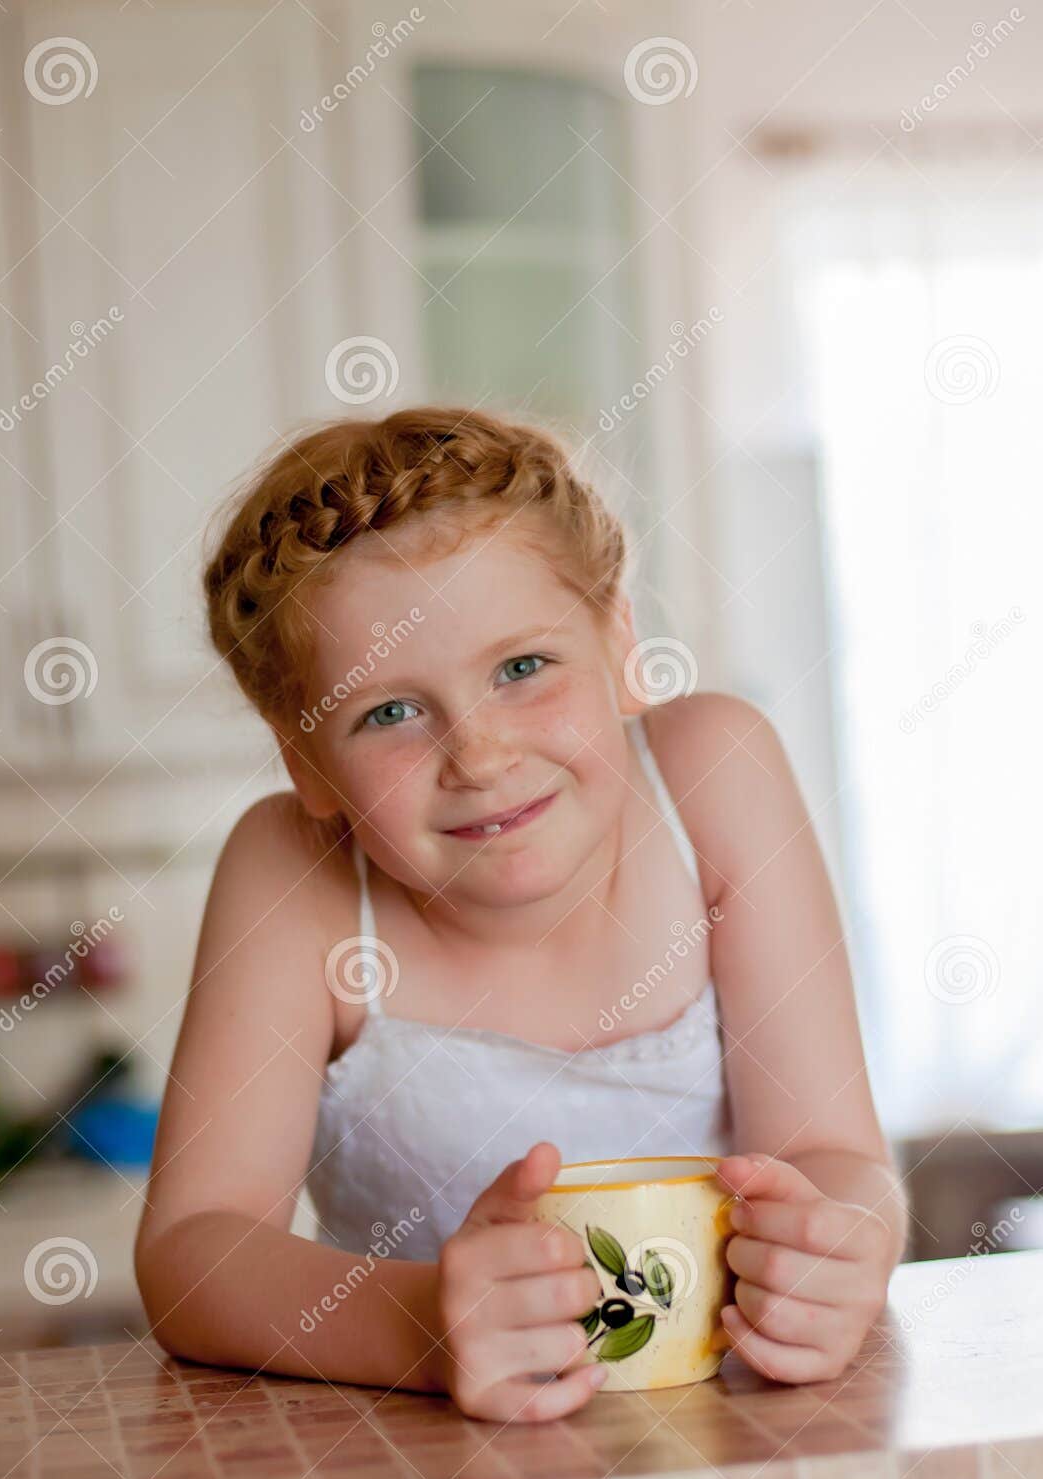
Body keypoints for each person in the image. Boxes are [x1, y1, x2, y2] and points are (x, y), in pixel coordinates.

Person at [135, 405, 907, 1424]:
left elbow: (835, 1155)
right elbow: (195, 1250)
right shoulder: (292, 876)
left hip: (736, 1447)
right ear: (305, 761)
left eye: (521, 668)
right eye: (388, 713)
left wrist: (841, 1243)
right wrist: (425, 1326)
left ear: (620, 639)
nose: (480, 755)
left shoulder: (713, 777)